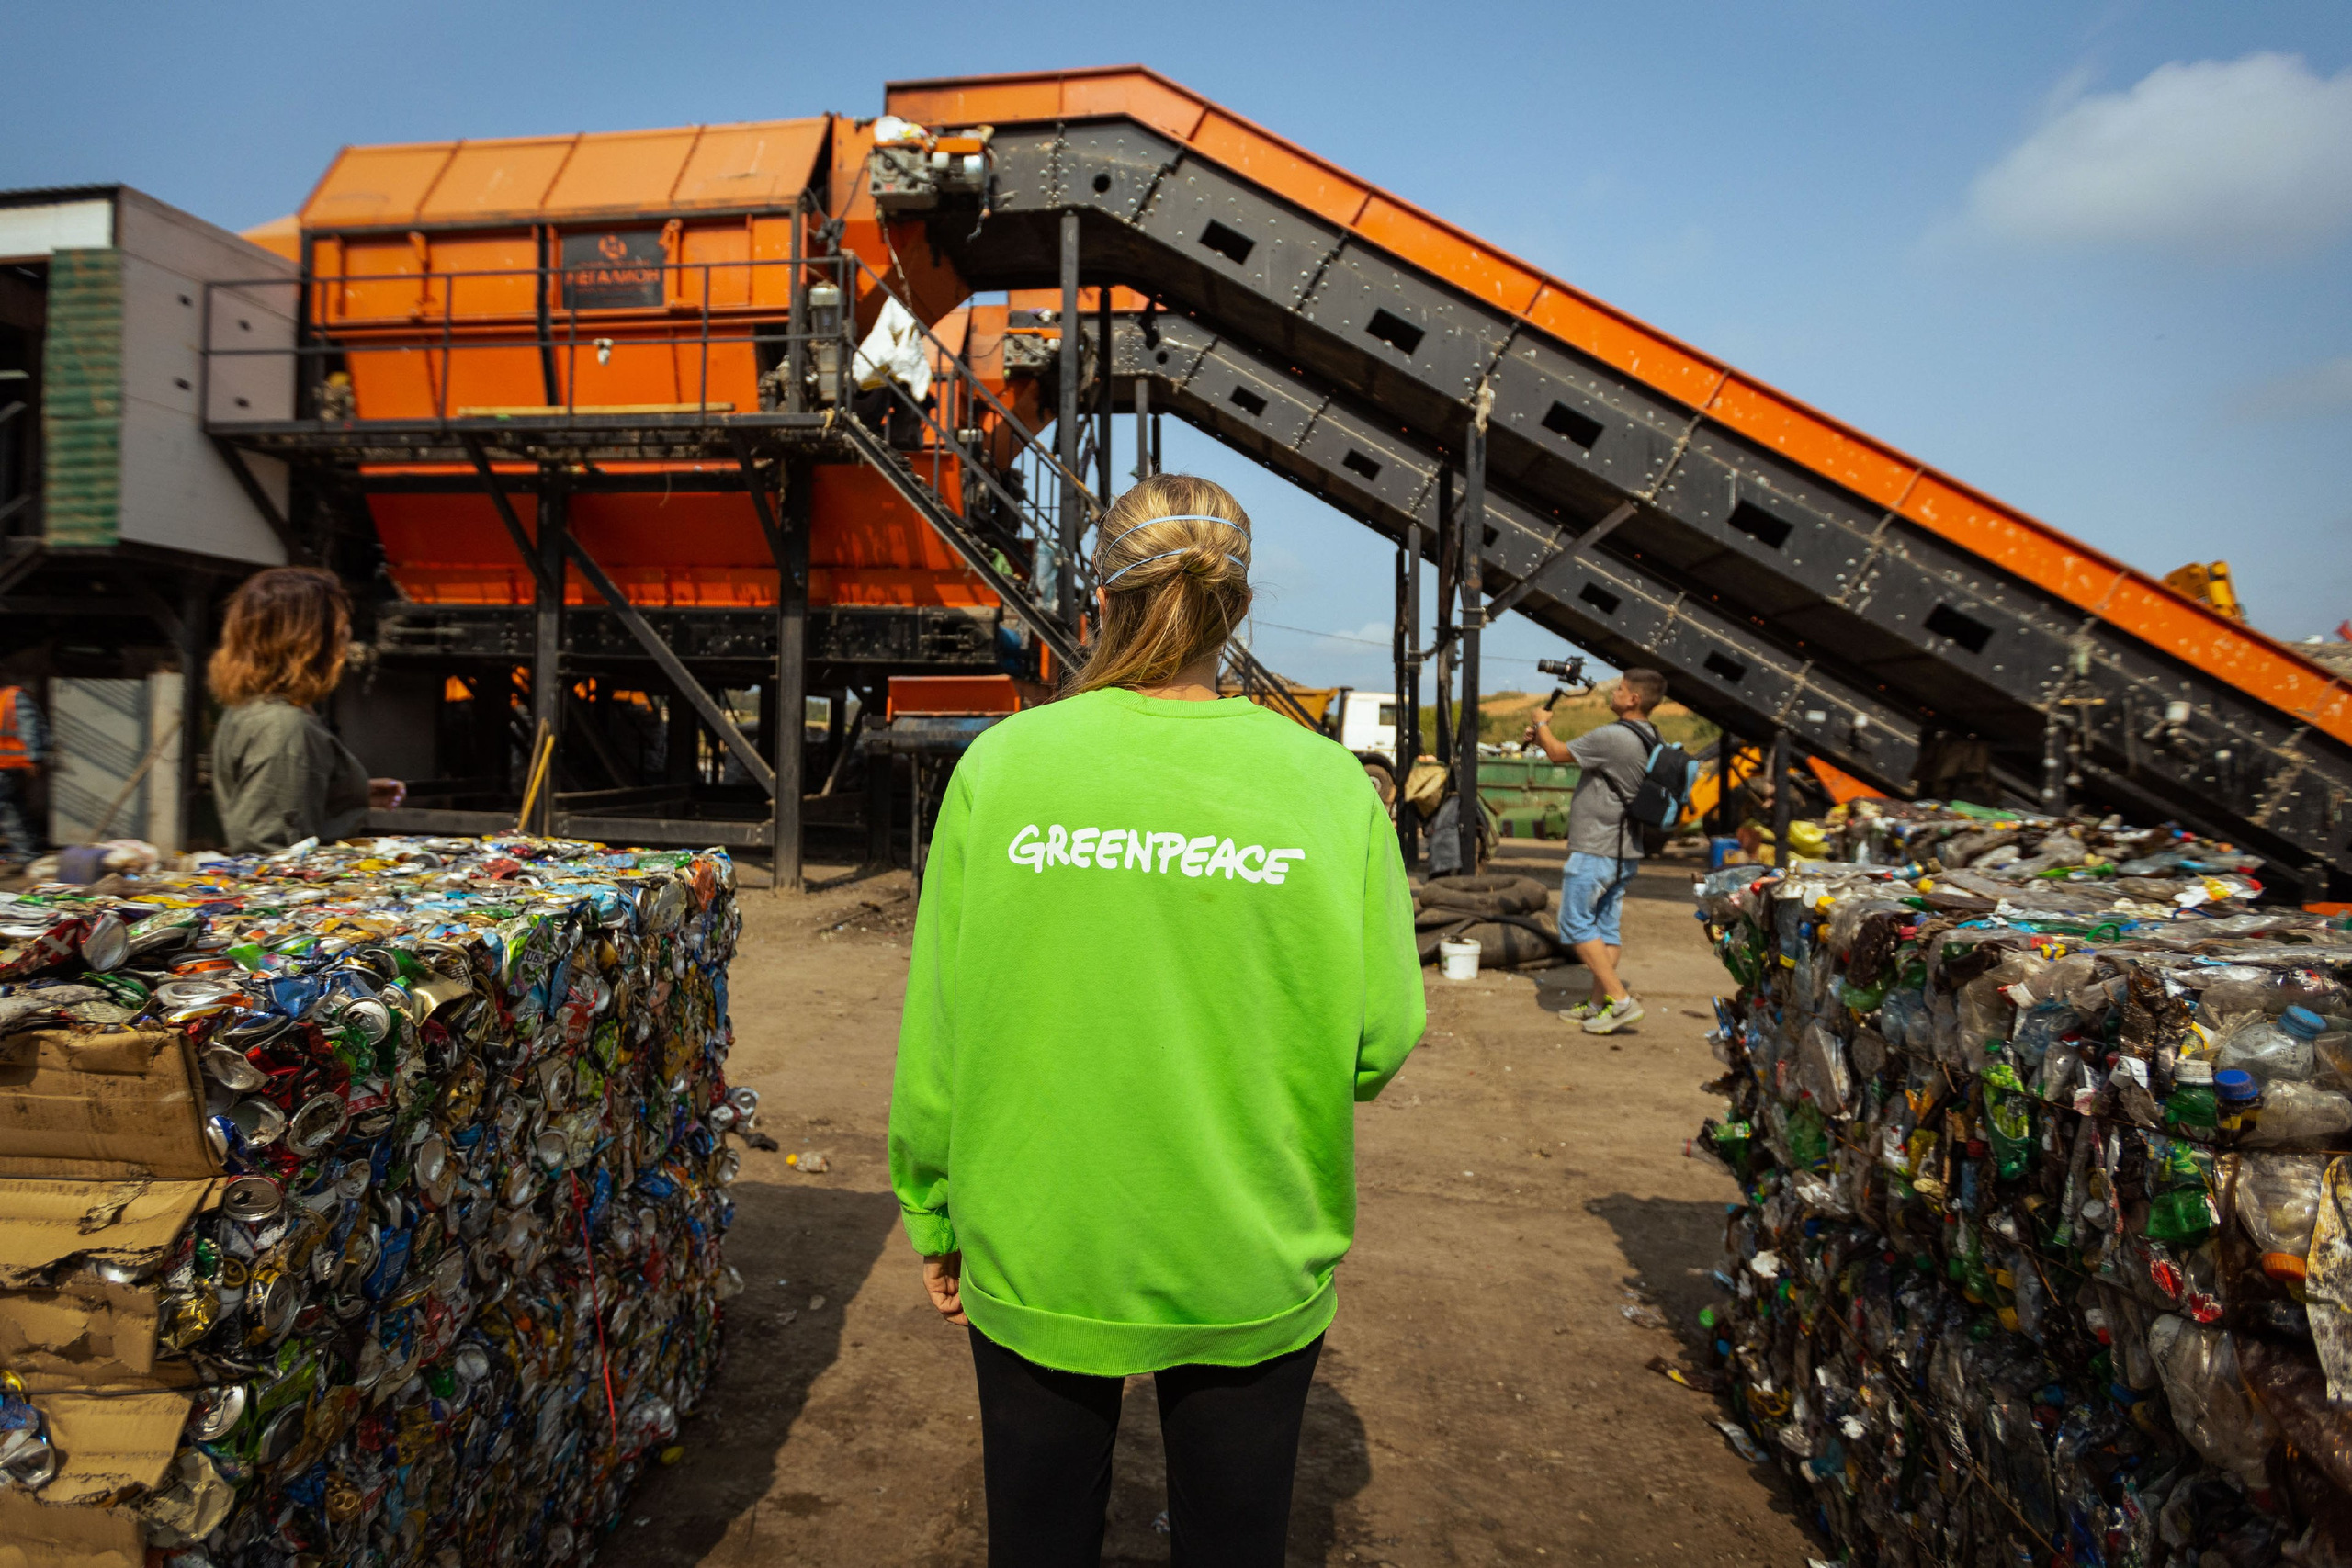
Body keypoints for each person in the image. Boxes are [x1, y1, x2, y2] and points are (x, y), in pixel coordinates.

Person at [888, 473, 1425, 1568]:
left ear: (1100, 600)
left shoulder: (1005, 765)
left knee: (1037, 1540)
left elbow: (940, 1024)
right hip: (1247, 1242)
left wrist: (933, 1211)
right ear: (1239, 605)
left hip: (1039, 1237)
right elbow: (1378, 1037)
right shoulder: (1327, 785)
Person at [208, 567, 402, 854]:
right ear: (312, 643)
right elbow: (272, 851)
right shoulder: (283, 727)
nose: (347, 637)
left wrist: (343, 789)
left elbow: (273, 795)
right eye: (339, 630)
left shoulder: (250, 709)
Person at [1522, 667, 1672, 1035]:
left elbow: (1557, 753)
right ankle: (1597, 1004)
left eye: (1620, 689)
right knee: (1605, 929)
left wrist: (1541, 723)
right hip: (1624, 850)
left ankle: (1620, 1001)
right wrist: (1543, 735)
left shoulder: (1614, 736)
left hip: (1597, 848)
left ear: (1633, 699)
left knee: (1574, 924)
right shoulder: (1650, 735)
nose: (1613, 693)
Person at [0, 678, 46, 865]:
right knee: (12, 808)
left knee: (8, 809)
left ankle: (29, 853)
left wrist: (34, 757)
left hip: (9, 764)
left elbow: (30, 728)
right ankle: (30, 852)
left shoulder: (14, 697)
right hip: (5, 765)